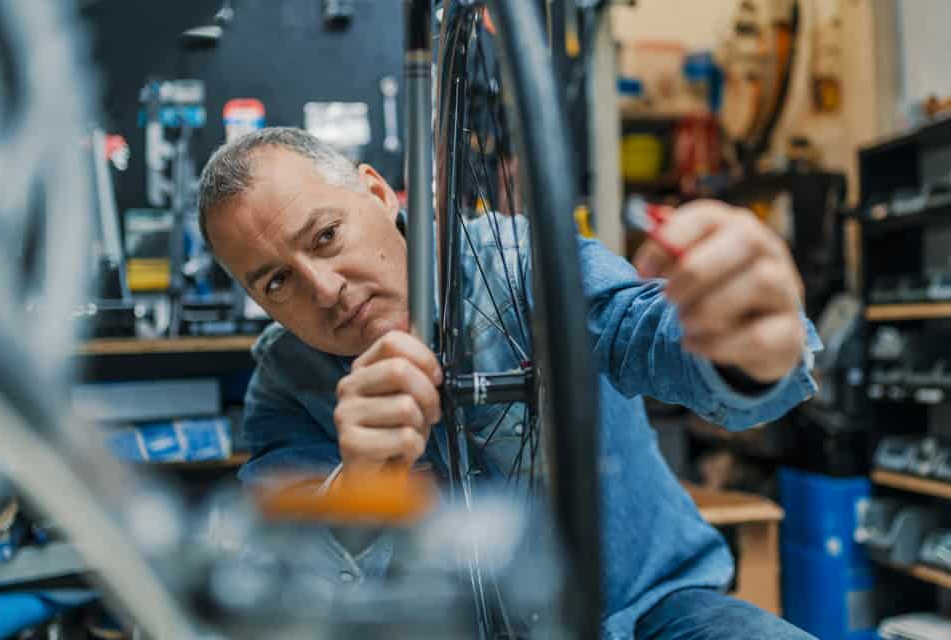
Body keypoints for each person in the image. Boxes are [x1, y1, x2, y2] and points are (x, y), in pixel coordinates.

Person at [197, 126, 821, 639]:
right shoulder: (285, 383)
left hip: (646, 613)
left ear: (379, 192)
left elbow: (648, 332)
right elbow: (274, 585)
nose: (325, 290)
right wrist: (359, 486)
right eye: (276, 282)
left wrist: (745, 340)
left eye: (326, 237)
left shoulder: (524, 264)